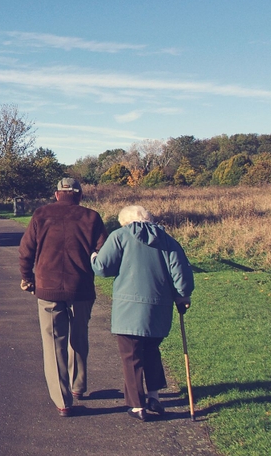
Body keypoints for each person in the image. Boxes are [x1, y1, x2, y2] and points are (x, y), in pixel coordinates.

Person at [91, 205, 194, 422]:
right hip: (159, 308)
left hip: (128, 309)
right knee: (151, 350)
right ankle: (154, 396)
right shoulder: (167, 240)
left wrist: (93, 257)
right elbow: (181, 274)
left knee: (131, 355)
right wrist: (183, 295)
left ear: (125, 222)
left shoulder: (120, 236)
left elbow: (102, 268)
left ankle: (137, 405)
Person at [18, 177, 108, 417]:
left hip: (48, 288)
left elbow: (26, 250)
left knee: (54, 343)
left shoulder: (41, 214)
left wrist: (27, 278)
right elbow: (103, 252)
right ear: (79, 195)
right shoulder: (92, 217)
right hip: (81, 289)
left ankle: (63, 400)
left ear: (57, 194)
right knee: (79, 337)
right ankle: (78, 386)